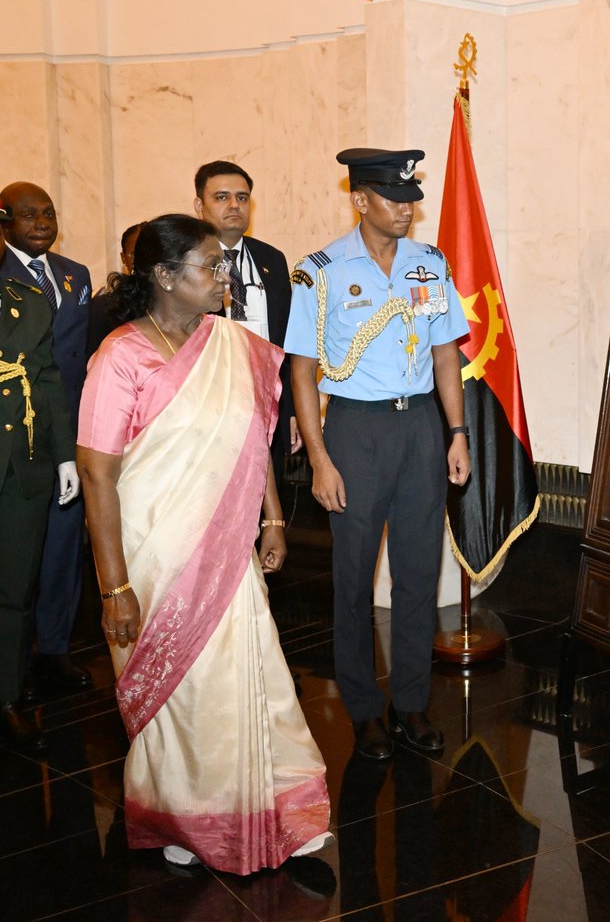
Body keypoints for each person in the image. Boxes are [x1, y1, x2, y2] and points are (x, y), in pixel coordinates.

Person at [75, 213, 331, 872]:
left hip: (228, 543)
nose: (223, 276)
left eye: (223, 265)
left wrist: (273, 518)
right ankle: (187, 817)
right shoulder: (121, 357)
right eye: (210, 266)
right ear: (163, 275)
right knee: (184, 692)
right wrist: (114, 587)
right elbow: (99, 475)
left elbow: (253, 438)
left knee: (253, 671)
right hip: (155, 549)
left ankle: (275, 804)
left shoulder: (234, 344)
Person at [286, 148, 470, 761]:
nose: (406, 211)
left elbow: (446, 353)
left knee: (419, 573)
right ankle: (363, 709)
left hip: (419, 426)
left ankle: (411, 706)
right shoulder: (321, 271)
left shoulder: (429, 264)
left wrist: (457, 432)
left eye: (412, 200)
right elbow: (304, 372)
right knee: (354, 578)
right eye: (394, 199)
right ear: (361, 200)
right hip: (356, 433)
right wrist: (320, 458)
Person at [0, 181, 93, 692]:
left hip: (71, 430)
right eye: (28, 215)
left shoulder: (75, 275)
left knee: (63, 547)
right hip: (20, 434)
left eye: (49, 213)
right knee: (20, 555)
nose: (41, 223)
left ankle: (54, 648)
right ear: (5, 221)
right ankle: (16, 660)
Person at [194, 160, 300, 492]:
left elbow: (289, 341)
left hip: (267, 405)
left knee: (268, 507)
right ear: (200, 206)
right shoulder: (187, 262)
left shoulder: (272, 259)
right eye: (221, 197)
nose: (234, 206)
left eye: (242, 197)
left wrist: (292, 411)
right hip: (209, 413)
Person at [86, 222, 144, 357]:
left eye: (149, 253)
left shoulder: (173, 301)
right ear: (123, 258)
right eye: (134, 254)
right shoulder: (104, 306)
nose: (142, 260)